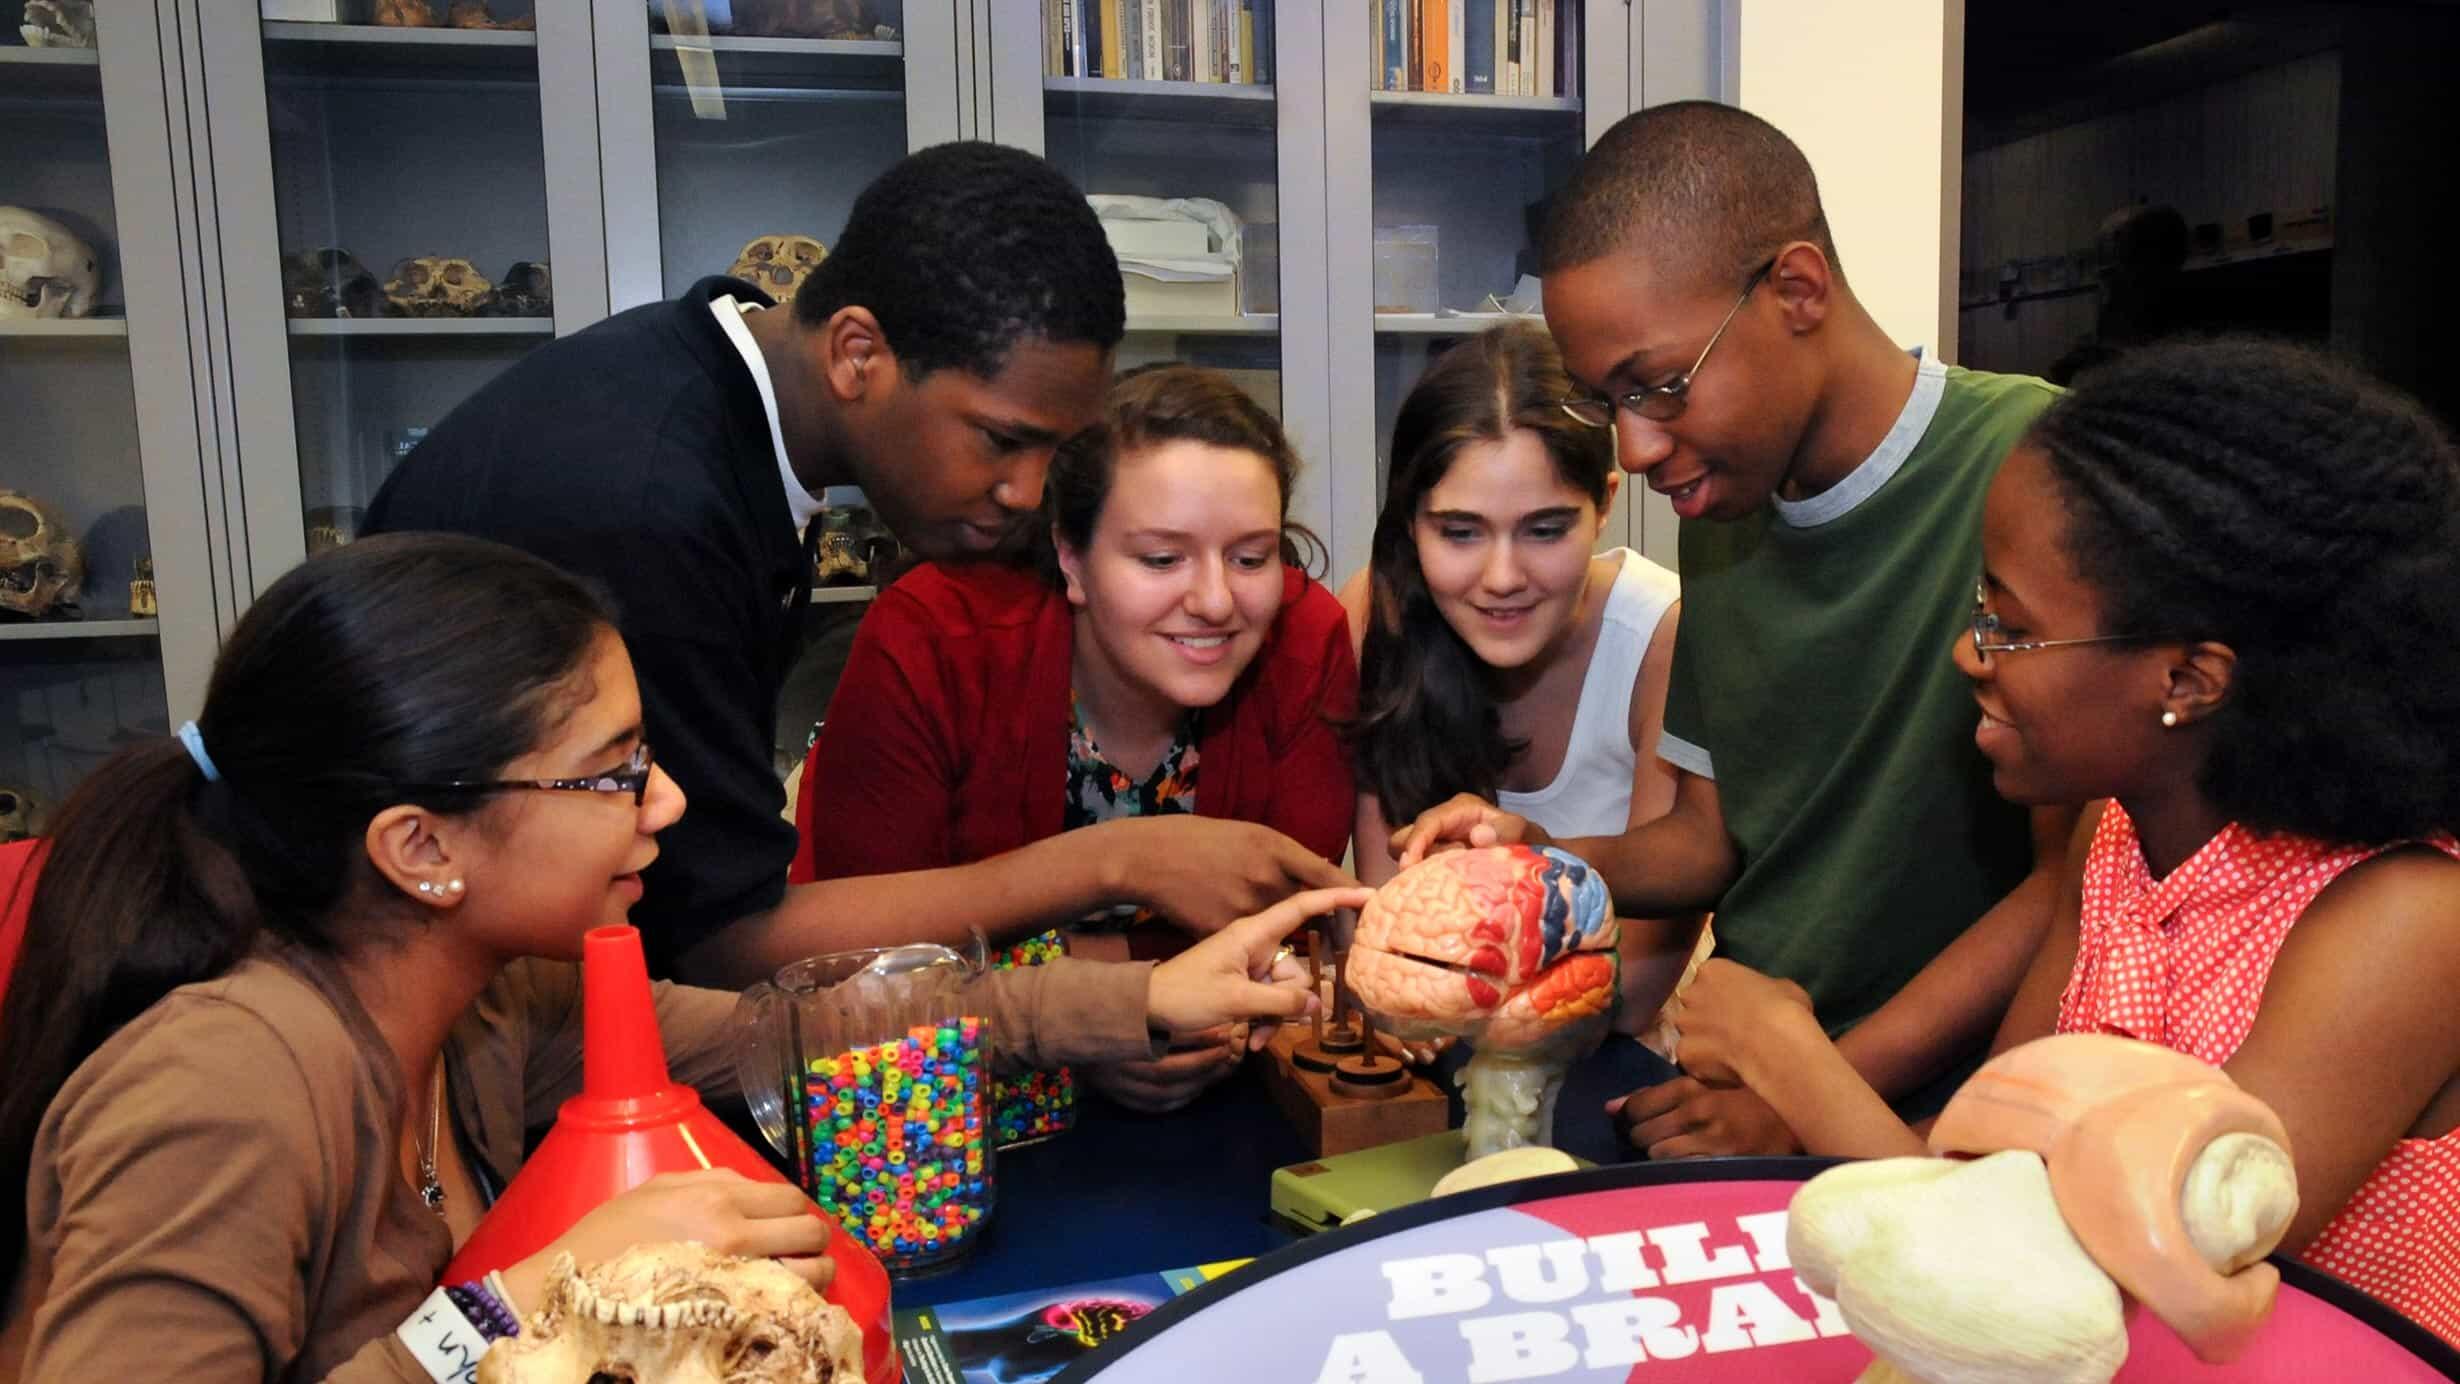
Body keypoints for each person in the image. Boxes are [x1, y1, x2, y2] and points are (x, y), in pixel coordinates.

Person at [0, 533, 1361, 1381]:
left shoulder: (492, 996)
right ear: (422, 848)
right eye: (610, 775)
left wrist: (1147, 997)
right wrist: (525, 1305)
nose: (663, 807)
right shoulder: (227, 1086)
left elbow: (786, 1031)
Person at [364, 141, 1345, 989]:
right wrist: (1119, 858)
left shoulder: (702, 390)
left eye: (1058, 451)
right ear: (857, 353)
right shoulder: (655, 510)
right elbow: (718, 942)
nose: (1028, 490)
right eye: (1003, 440)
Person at [1656, 338, 2460, 1345]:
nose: (1968, 650)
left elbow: (2100, 1304)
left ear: (2186, 681)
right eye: (1978, 605)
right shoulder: (2114, 834)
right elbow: (1983, 1175)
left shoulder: (2403, 924)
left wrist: (1794, 1060)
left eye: (2010, 624)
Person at [1394, 101, 2074, 1158]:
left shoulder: (2032, 462)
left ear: (1797, 289)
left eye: (1658, 385)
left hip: (1934, 1107)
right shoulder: (1725, 499)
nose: (1635, 443)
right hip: (1737, 1065)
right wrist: (1544, 861)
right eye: (1605, 400)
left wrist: (1808, 1089)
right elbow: (1710, 842)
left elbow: (2068, 890)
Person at [794, 365, 1358, 1111]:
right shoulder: (932, 637)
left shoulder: (1307, 641)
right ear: (1070, 556)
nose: (1217, 601)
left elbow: (1292, 932)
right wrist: (1105, 1006)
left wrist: (1098, 989)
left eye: (1252, 557)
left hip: (1225, 1111)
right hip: (942, 1124)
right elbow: (860, 965)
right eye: (1161, 558)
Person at [1340, 323, 1696, 1040]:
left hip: (1614, 1057)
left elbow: (1638, 986)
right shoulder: (1376, 614)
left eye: (1544, 529)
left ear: (1605, 503)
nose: (1502, 579)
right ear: (1412, 525)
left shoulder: (1664, 637)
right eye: (1461, 532)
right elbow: (1376, 948)